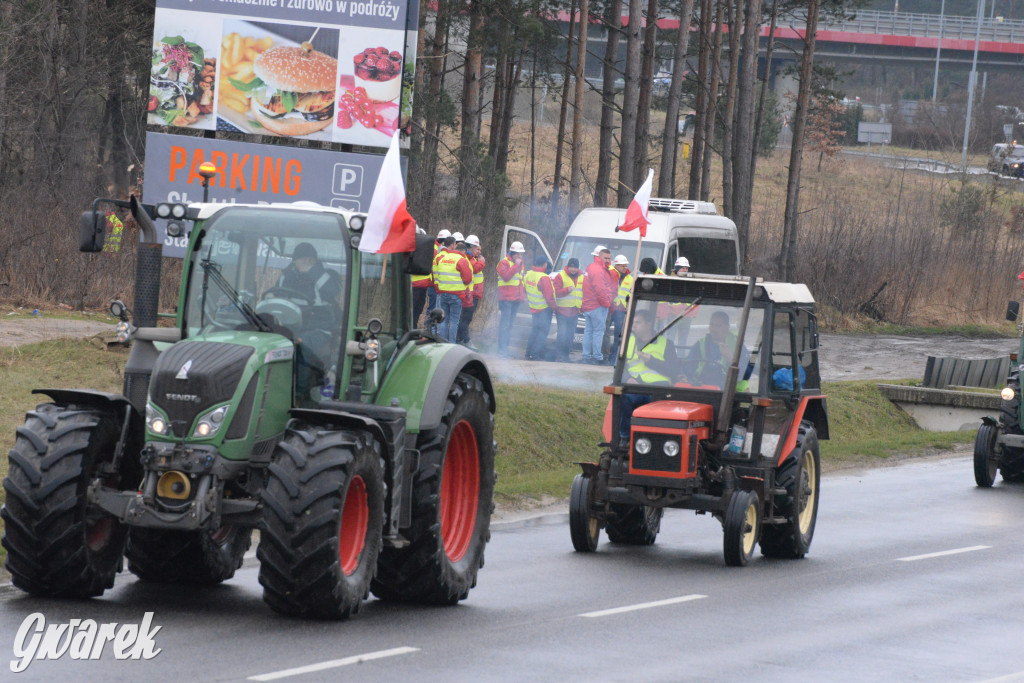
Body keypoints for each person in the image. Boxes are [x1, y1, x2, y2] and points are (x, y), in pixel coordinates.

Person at [276, 242, 343, 403]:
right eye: (302, 260)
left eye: (309, 260)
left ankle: (297, 395)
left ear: (314, 261)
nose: (305, 263)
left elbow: (331, 292)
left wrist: (313, 272)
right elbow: (276, 300)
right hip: (290, 328)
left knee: (302, 345)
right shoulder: (286, 277)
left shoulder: (327, 276)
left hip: (319, 329)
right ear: (294, 261)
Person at [618, 309, 678, 444]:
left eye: (638, 322)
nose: (633, 326)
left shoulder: (667, 344)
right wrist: (628, 378)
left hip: (659, 389)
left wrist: (651, 361)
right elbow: (620, 367)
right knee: (624, 398)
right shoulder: (628, 342)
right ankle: (625, 439)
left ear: (649, 324)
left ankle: (655, 441)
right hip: (635, 387)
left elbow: (673, 370)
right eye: (632, 322)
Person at [683, 310, 739, 388]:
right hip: (702, 387)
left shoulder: (738, 346)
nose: (713, 328)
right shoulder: (700, 344)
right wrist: (684, 376)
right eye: (712, 325)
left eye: (718, 325)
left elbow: (742, 375)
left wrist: (730, 359)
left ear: (727, 327)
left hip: (727, 391)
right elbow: (689, 366)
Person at [432, 235, 473, 342]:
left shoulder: (443, 258)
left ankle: (442, 343)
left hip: (443, 294)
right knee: (454, 321)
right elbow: (468, 279)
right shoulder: (461, 260)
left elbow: (436, 274)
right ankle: (451, 344)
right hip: (456, 295)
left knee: (443, 320)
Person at [581, 246, 615, 364]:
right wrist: (607, 303)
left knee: (589, 331)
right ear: (599, 256)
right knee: (598, 332)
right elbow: (600, 289)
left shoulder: (591, 267)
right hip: (597, 306)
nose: (608, 260)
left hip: (589, 305)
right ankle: (597, 357)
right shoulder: (599, 270)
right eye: (605, 258)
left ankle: (586, 356)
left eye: (609, 258)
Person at [496, 241, 526, 357]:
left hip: (516, 299)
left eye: (521, 254)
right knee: (505, 324)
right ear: (512, 253)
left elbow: (521, 281)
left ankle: (506, 348)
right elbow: (507, 277)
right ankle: (502, 349)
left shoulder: (520, 264)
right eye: (518, 254)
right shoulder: (503, 263)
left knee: (510, 325)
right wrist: (516, 266)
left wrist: (521, 296)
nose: (520, 256)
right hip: (506, 299)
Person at [523, 254, 555, 361]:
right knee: (542, 333)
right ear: (545, 264)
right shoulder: (544, 277)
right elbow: (549, 296)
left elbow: (525, 290)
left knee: (534, 331)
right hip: (544, 310)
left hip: (533, 308)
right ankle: (535, 355)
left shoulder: (528, 274)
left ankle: (528, 353)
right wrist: (555, 307)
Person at [552, 257, 583, 362]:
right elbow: (555, 292)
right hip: (562, 311)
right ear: (568, 266)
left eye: (575, 267)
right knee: (562, 334)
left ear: (578, 268)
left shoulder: (582, 277)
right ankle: (559, 356)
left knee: (570, 335)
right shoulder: (560, 276)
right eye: (571, 267)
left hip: (575, 311)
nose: (573, 269)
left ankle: (566, 356)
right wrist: (566, 290)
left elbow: (585, 293)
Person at [456, 234, 485, 345]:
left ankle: (461, 339)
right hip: (469, 293)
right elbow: (475, 269)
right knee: (466, 317)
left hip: (474, 293)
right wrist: (482, 262)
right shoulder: (468, 258)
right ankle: (463, 339)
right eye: (477, 249)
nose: (479, 252)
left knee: (466, 317)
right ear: (471, 247)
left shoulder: (472, 257)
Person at [609, 255, 632, 363]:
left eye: (625, 266)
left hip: (621, 310)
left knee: (618, 335)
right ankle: (604, 355)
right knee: (604, 333)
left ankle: (614, 357)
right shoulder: (610, 274)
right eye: (622, 266)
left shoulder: (630, 279)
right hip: (609, 308)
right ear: (616, 266)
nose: (624, 268)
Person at [427, 229, 452, 313]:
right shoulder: (438, 250)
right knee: (434, 307)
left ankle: (430, 325)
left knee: (434, 306)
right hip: (435, 282)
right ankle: (430, 325)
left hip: (434, 281)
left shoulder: (433, 247)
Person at [411, 227, 432, 327]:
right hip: (413, 286)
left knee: (417, 309)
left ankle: (413, 328)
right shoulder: (409, 248)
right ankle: (411, 328)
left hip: (421, 285)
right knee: (413, 309)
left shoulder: (420, 248)